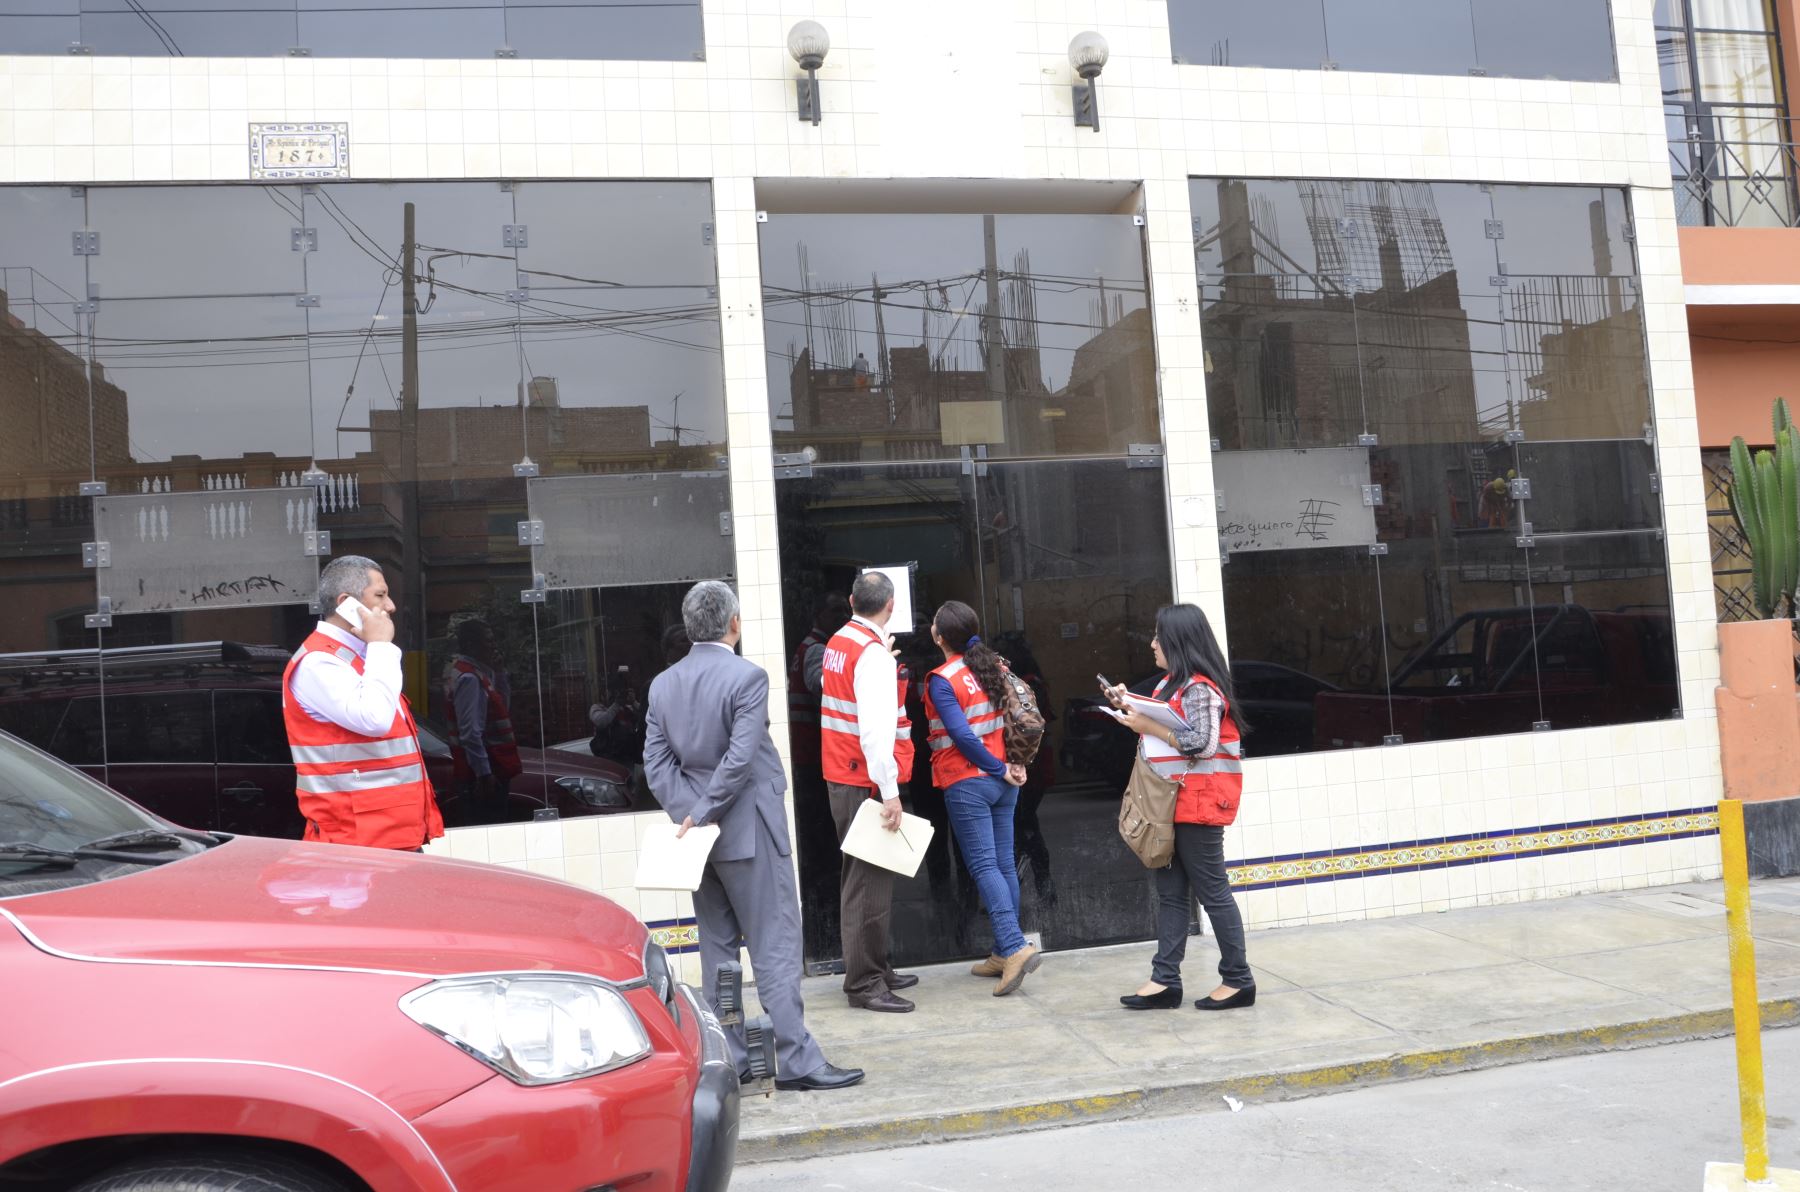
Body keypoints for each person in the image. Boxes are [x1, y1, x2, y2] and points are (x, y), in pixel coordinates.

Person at [643, 580, 863, 1092]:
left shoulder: (663, 684)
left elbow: (656, 762)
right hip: (750, 830)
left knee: (717, 951)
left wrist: (691, 816)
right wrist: (705, 812)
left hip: (697, 843)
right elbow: (740, 758)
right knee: (775, 944)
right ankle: (796, 1058)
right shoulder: (748, 677)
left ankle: (732, 1056)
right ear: (734, 624)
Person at [1107, 603, 1254, 1012]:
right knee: (1171, 895)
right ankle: (1164, 981)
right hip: (1171, 804)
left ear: (1178, 641)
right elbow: (1165, 727)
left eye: (1159, 636)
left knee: (1213, 893)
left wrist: (1148, 725)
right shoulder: (1171, 685)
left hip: (1198, 804)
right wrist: (1127, 703)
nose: (1152, 643)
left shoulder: (1200, 688)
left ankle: (1239, 980)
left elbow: (1202, 743)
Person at [282, 555, 443, 851]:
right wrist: (381, 645)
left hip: (384, 835)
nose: (390, 606)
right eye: (380, 595)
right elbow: (374, 719)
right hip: (357, 842)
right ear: (347, 603)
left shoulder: (357, 657)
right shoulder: (319, 662)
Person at [925, 600, 1041, 997]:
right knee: (1003, 864)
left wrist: (996, 768)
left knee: (984, 865)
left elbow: (961, 735)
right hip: (1004, 780)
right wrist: (1013, 764)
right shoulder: (995, 666)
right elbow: (1020, 718)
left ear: (939, 637)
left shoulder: (942, 678)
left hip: (968, 780)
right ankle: (1001, 951)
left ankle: (1013, 946)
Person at [819, 571, 920, 1014]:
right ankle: (865, 983)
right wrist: (891, 791)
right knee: (868, 884)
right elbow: (876, 732)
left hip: (843, 774)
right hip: (864, 780)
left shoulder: (841, 642)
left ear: (851, 601)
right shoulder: (871, 654)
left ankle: (876, 968)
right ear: (890, 606)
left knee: (864, 879)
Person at [787, 592, 852, 960]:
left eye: (845, 609)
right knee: (825, 850)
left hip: (813, 758)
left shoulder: (813, 647)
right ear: (818, 614)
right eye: (835, 610)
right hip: (814, 760)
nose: (842, 615)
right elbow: (822, 686)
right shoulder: (818, 649)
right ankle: (828, 932)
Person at [446, 618, 520, 825]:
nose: (493, 646)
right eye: (488, 641)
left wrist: (500, 672)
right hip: (486, 771)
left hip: (491, 767)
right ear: (472, 645)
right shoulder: (470, 679)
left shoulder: (477, 673)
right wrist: (484, 774)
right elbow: (470, 733)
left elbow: (502, 707)